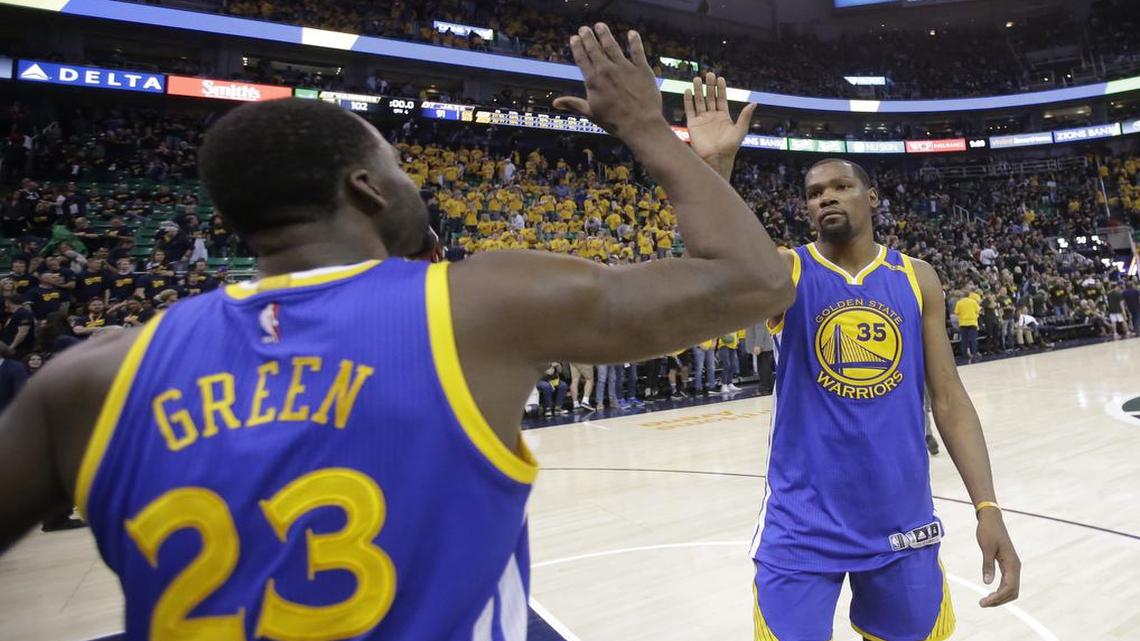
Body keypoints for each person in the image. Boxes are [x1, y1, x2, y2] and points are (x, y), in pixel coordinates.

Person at [0, 26, 793, 640]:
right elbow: (753, 280)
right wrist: (649, 128)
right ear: (367, 189)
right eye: (401, 169)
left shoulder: (92, 377)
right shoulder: (478, 308)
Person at [684, 78, 1018, 640]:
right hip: (802, 525)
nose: (827, 197)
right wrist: (715, 169)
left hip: (901, 520)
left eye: (841, 186)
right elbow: (713, 265)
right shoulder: (787, 270)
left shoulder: (917, 278)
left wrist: (987, 506)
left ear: (872, 198)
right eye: (815, 193)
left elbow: (949, 400)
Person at [954, 288, 981, 362]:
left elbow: (956, 313)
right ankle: (974, 354)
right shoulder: (973, 302)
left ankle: (965, 355)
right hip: (972, 323)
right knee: (973, 339)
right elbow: (978, 311)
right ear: (969, 295)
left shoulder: (959, 303)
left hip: (963, 323)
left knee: (964, 340)